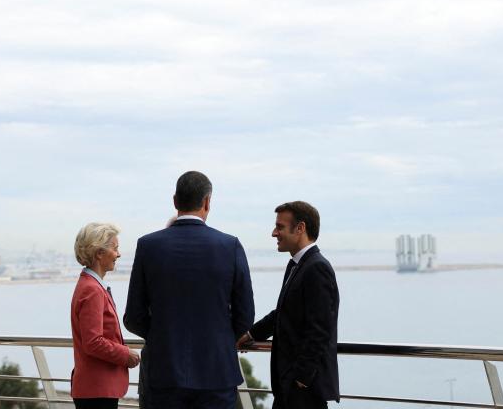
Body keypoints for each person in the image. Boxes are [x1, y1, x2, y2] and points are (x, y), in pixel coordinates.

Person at [124, 171, 254, 409]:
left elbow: (133, 317)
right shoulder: (230, 246)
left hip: (163, 374)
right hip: (217, 374)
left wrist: (161, 336)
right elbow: (245, 315)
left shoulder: (148, 246)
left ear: (175, 202)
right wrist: (220, 339)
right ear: (207, 202)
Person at [237, 201, 340, 409]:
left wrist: (300, 379)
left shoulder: (317, 268)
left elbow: (320, 329)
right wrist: (250, 335)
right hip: (290, 388)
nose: (274, 233)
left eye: (280, 227)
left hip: (303, 391)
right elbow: (283, 312)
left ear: (300, 228)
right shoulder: (297, 265)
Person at [71, 223, 141, 409]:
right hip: (97, 389)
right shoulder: (92, 290)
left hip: (96, 388)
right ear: (99, 253)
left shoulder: (89, 285)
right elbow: (93, 341)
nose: (118, 254)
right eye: (115, 248)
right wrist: (125, 354)